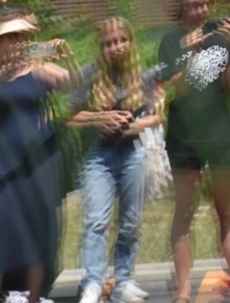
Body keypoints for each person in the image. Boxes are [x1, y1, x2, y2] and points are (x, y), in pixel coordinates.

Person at [157, 0, 230, 303]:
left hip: (221, 132)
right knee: (184, 212)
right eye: (196, 5)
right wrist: (190, 50)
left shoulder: (221, 39)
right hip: (184, 135)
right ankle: (183, 292)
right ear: (182, 6)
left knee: (227, 209)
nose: (203, 10)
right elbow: (176, 87)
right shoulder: (171, 41)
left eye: (208, 3)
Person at [0, 12, 76, 303]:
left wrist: (68, 57)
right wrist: (8, 69)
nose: (15, 42)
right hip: (4, 161)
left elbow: (73, 83)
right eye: (8, 37)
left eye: (19, 36)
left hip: (40, 159)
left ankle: (34, 296)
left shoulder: (41, 70)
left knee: (38, 224)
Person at [68, 16, 165, 303]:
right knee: (96, 221)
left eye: (122, 40)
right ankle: (93, 282)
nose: (116, 47)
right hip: (100, 156)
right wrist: (100, 118)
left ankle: (124, 280)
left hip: (134, 152)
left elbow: (158, 115)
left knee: (130, 222)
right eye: (109, 43)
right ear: (101, 47)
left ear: (130, 42)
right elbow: (70, 118)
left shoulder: (142, 75)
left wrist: (136, 125)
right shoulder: (89, 74)